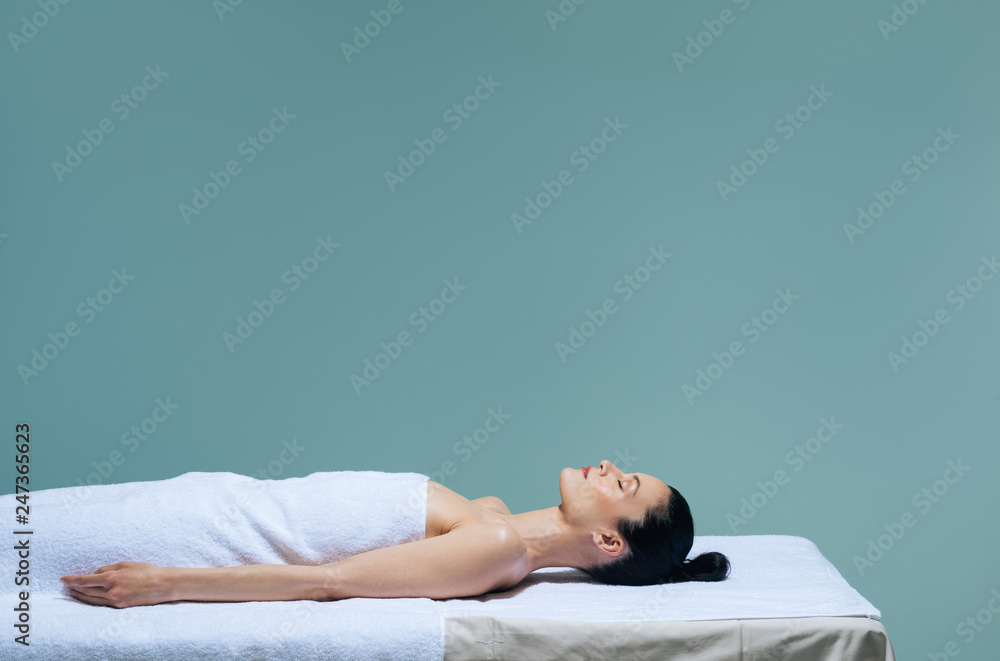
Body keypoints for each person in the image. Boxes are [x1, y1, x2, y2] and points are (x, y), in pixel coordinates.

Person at [59, 459, 730, 608]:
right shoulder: (492, 513)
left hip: (198, 534)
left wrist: (166, 582)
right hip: (218, 501)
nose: (611, 469)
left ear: (611, 543)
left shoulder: (499, 549)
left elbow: (329, 582)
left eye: (625, 488)